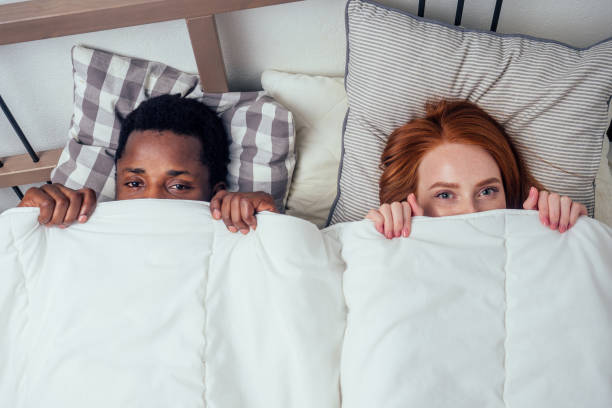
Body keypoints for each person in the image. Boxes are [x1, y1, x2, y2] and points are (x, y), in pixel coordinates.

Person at [17, 94, 277, 234]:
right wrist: (21, 223)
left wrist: (269, 227)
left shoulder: (236, 237)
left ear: (217, 193)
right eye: (133, 183)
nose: (152, 200)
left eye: (178, 186)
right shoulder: (74, 230)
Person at [366, 100, 587, 238]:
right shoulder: (381, 250)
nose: (472, 211)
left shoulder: (538, 233)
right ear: (410, 202)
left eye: (487, 191)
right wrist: (384, 243)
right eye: (445, 194)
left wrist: (550, 237)